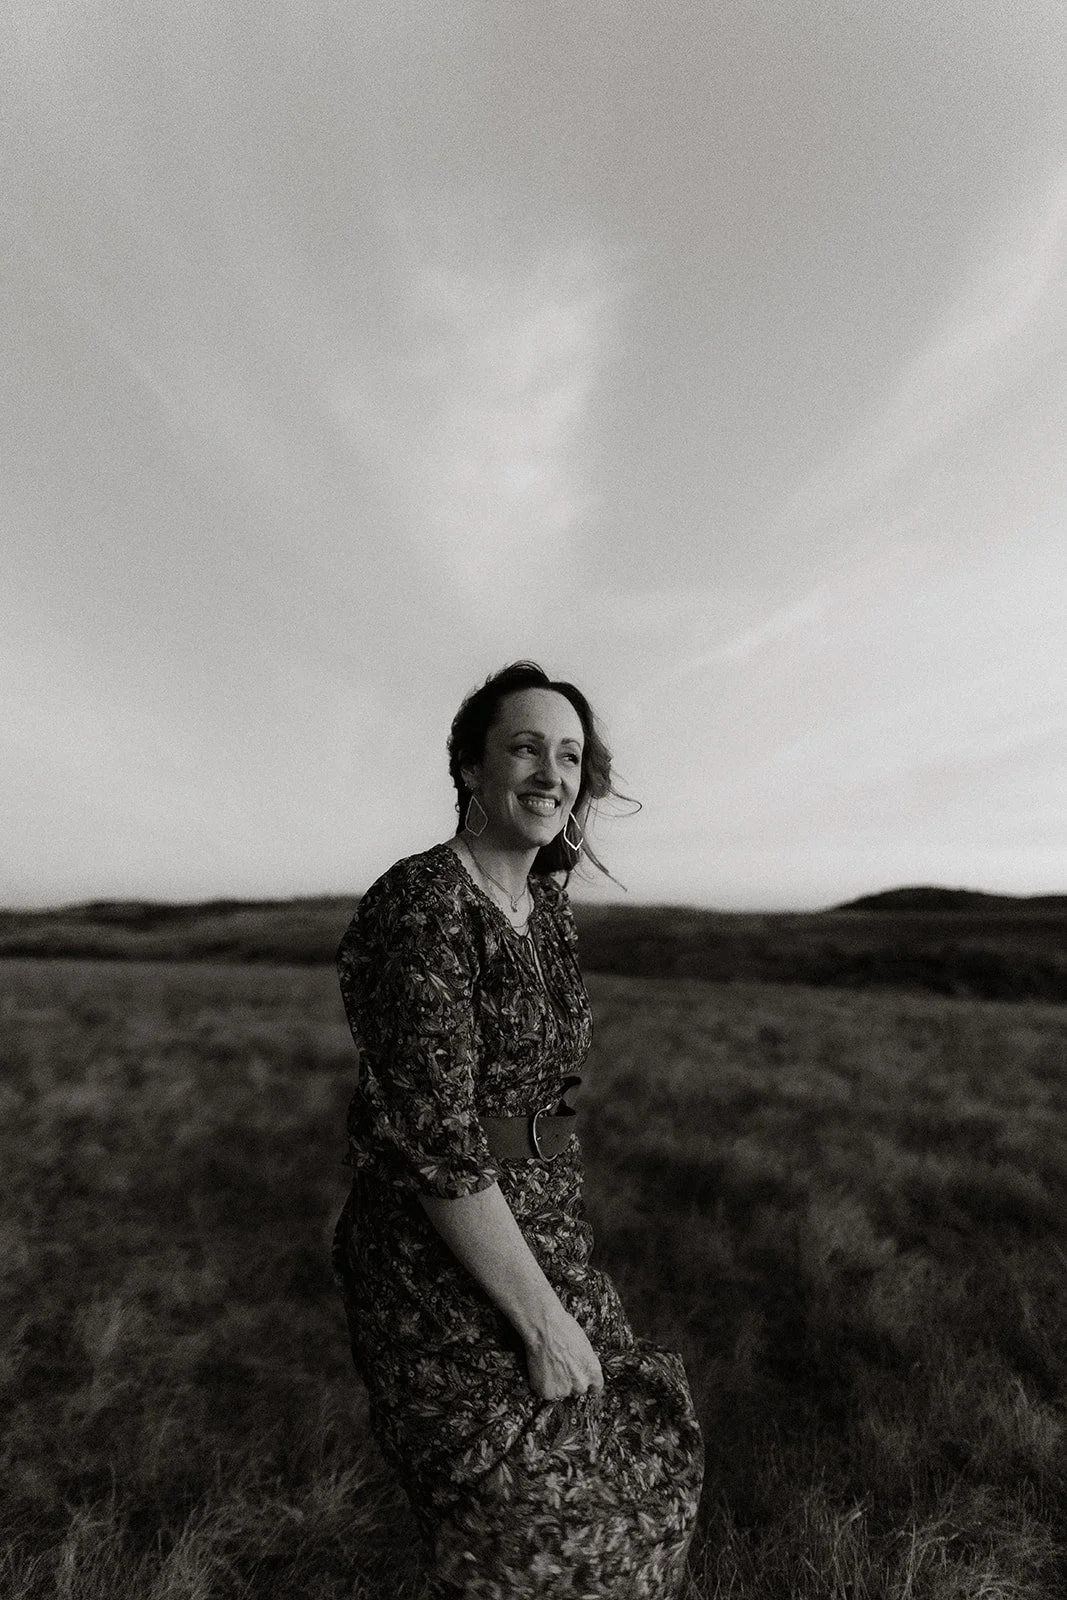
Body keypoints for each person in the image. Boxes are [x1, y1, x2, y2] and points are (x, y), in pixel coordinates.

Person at [331, 661, 704, 1599]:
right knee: (526, 1528)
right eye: (526, 748)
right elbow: (434, 1143)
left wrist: (559, 1260)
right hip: (439, 1259)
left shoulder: (545, 908)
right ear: (470, 767)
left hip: (547, 1231)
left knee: (634, 1470)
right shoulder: (422, 907)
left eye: (569, 756)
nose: (552, 773)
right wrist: (540, 1322)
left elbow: (541, 1097)